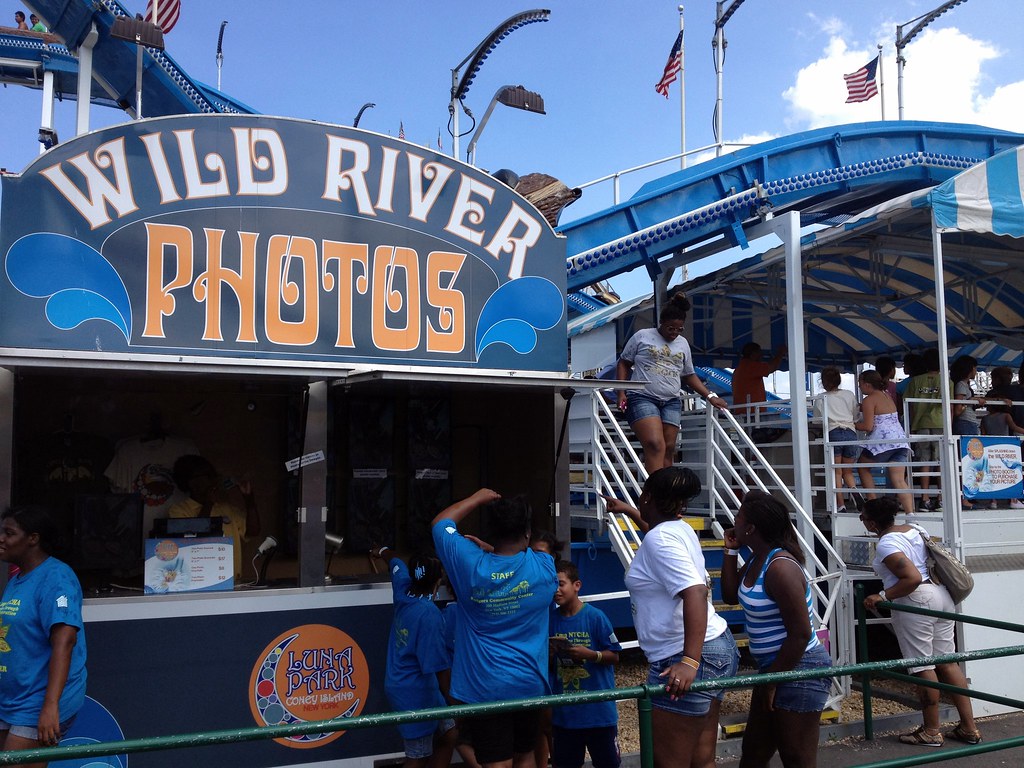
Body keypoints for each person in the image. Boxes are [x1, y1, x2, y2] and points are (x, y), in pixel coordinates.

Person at [607, 467, 739, 768]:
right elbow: (655, 532)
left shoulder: (659, 541)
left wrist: (690, 661)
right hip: (717, 646)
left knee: (668, 762)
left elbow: (694, 592)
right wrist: (627, 510)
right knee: (701, 760)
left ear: (648, 496)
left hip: (686, 654)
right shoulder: (679, 528)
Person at [432, 490, 557, 768]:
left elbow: (441, 523)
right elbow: (518, 561)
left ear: (492, 530)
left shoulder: (468, 564)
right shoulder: (545, 568)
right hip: (529, 683)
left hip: (485, 686)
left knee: (496, 763)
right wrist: (491, 549)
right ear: (526, 533)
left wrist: (477, 498)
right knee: (525, 755)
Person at [720, 491, 833, 768]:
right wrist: (730, 551)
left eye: (739, 517)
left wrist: (773, 680)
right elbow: (731, 595)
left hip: (800, 668)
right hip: (773, 668)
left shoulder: (780, 566)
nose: (733, 520)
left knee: (796, 756)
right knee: (754, 753)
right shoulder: (758, 558)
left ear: (751, 528)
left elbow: (801, 634)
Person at [860, 497, 981, 747]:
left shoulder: (886, 544)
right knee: (948, 662)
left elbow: (911, 578)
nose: (862, 522)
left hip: (916, 601)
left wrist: (882, 596)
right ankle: (969, 728)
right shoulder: (916, 529)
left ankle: (931, 730)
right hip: (941, 594)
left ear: (872, 523)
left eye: (862, 518)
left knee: (922, 665)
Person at [0, 506, 87, 766]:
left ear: (33, 539)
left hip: (38, 702)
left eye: (9, 533)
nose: (1, 538)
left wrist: (50, 707)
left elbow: (65, 641)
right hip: (12, 699)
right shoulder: (18, 579)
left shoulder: (57, 576)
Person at [615, 293, 728, 475]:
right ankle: (655, 492)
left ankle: (667, 494)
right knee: (655, 444)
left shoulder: (683, 344)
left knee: (668, 447)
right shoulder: (642, 336)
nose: (674, 333)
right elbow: (624, 362)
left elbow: (689, 374)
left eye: (679, 329)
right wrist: (621, 392)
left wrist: (710, 395)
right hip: (642, 396)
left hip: (671, 400)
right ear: (661, 322)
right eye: (671, 328)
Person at [373, 546, 458, 768]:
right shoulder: (430, 615)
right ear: (438, 580)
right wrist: (454, 705)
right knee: (417, 756)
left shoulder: (402, 587)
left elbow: (395, 561)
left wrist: (381, 550)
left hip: (416, 687)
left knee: (450, 734)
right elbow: (439, 669)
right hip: (413, 693)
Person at [548, 560, 621, 768]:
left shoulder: (596, 617)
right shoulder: (550, 620)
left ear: (576, 585)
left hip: (599, 715)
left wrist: (591, 655)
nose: (556, 590)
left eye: (561, 584)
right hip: (565, 717)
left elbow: (615, 655)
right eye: (553, 584)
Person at [168, 455, 261, 582]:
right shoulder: (178, 510)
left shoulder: (226, 508)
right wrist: (208, 503)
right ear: (191, 483)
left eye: (212, 476)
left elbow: (253, 531)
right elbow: (193, 541)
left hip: (231, 581)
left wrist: (249, 499)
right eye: (207, 477)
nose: (212, 481)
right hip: (198, 583)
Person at [855, 370, 914, 517]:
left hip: (882, 442)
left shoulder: (869, 399)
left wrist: (852, 424)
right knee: (899, 480)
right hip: (900, 441)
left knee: (862, 467)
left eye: (860, 383)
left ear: (867, 385)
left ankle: (873, 505)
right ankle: (910, 514)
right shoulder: (887, 395)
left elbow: (868, 426)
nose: (859, 386)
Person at [814, 366, 860, 513]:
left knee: (836, 472)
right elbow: (855, 414)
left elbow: (817, 421)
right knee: (848, 471)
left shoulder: (821, 398)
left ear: (823, 382)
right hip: (851, 433)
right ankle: (854, 492)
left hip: (833, 432)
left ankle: (841, 505)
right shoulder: (849, 394)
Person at [903, 350, 945, 512]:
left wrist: (913, 422)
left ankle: (925, 499)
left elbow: (909, 404)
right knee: (940, 462)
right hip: (940, 423)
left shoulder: (915, 381)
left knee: (924, 461)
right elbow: (949, 404)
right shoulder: (945, 381)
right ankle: (941, 499)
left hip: (920, 423)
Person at [731, 342, 787, 422]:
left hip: (745, 412)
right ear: (753, 354)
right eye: (759, 353)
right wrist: (780, 353)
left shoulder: (741, 367)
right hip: (751, 414)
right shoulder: (750, 366)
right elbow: (771, 367)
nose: (762, 356)